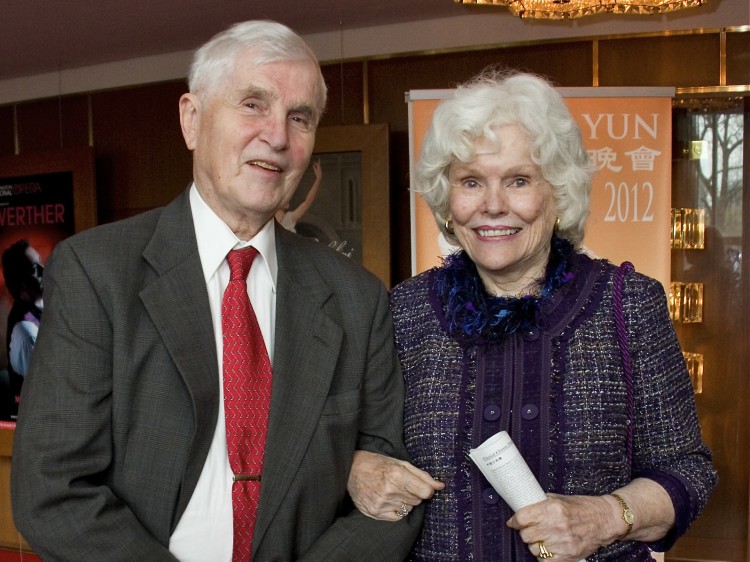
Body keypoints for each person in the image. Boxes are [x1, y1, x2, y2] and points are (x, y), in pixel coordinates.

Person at [11, 20, 421, 561]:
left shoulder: (356, 299)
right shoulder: (96, 272)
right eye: (253, 104)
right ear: (192, 119)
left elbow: (392, 499)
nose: (277, 136)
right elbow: (53, 491)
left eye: (300, 118)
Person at [348, 70, 717, 561]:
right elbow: (342, 441)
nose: (493, 205)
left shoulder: (627, 304)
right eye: (471, 181)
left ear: (559, 194)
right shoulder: (404, 312)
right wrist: (354, 468)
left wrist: (605, 517)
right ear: (447, 200)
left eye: (519, 180)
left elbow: (688, 469)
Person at [1, 239, 43, 420]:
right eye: (35, 268)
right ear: (22, 285)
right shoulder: (25, 330)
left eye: (40, 261)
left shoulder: (44, 307)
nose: (44, 269)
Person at [275, 159, 322, 232]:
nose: (288, 199)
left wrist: (318, 179)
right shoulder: (269, 221)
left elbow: (307, 202)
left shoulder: (289, 218)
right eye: (285, 197)